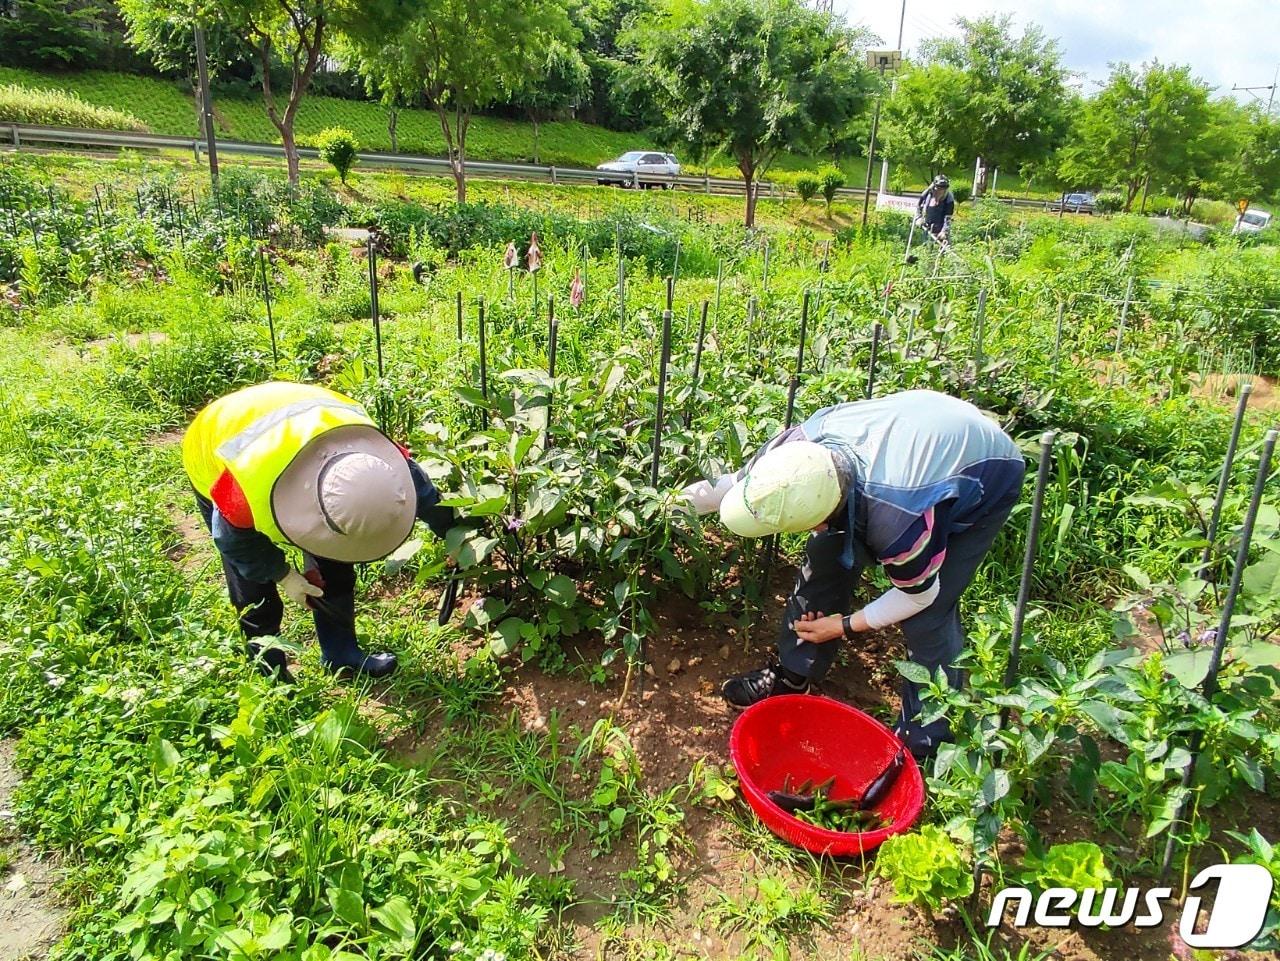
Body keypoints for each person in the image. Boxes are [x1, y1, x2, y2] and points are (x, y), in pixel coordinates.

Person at [680, 390, 1025, 760]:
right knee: (825, 553)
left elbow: (918, 595)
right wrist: (664, 505)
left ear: (822, 515)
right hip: (916, 430)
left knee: (930, 616)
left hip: (984, 466)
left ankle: (925, 742)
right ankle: (793, 677)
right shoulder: (790, 455)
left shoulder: (900, 521)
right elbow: (732, 484)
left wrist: (843, 625)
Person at [182, 381, 454, 682]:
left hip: (306, 418)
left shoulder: (381, 463)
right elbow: (234, 541)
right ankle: (270, 675)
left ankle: (341, 655)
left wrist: (455, 534)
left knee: (334, 561)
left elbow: (426, 497)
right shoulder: (245, 487)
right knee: (254, 590)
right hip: (215, 443)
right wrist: (284, 575)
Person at [916, 175, 955, 244]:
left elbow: (948, 218)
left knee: (942, 247)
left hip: (940, 231)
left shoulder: (949, 199)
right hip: (926, 228)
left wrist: (944, 231)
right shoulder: (927, 194)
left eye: (943, 189)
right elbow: (919, 205)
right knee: (924, 247)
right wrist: (919, 217)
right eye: (939, 189)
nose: (940, 191)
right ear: (934, 187)